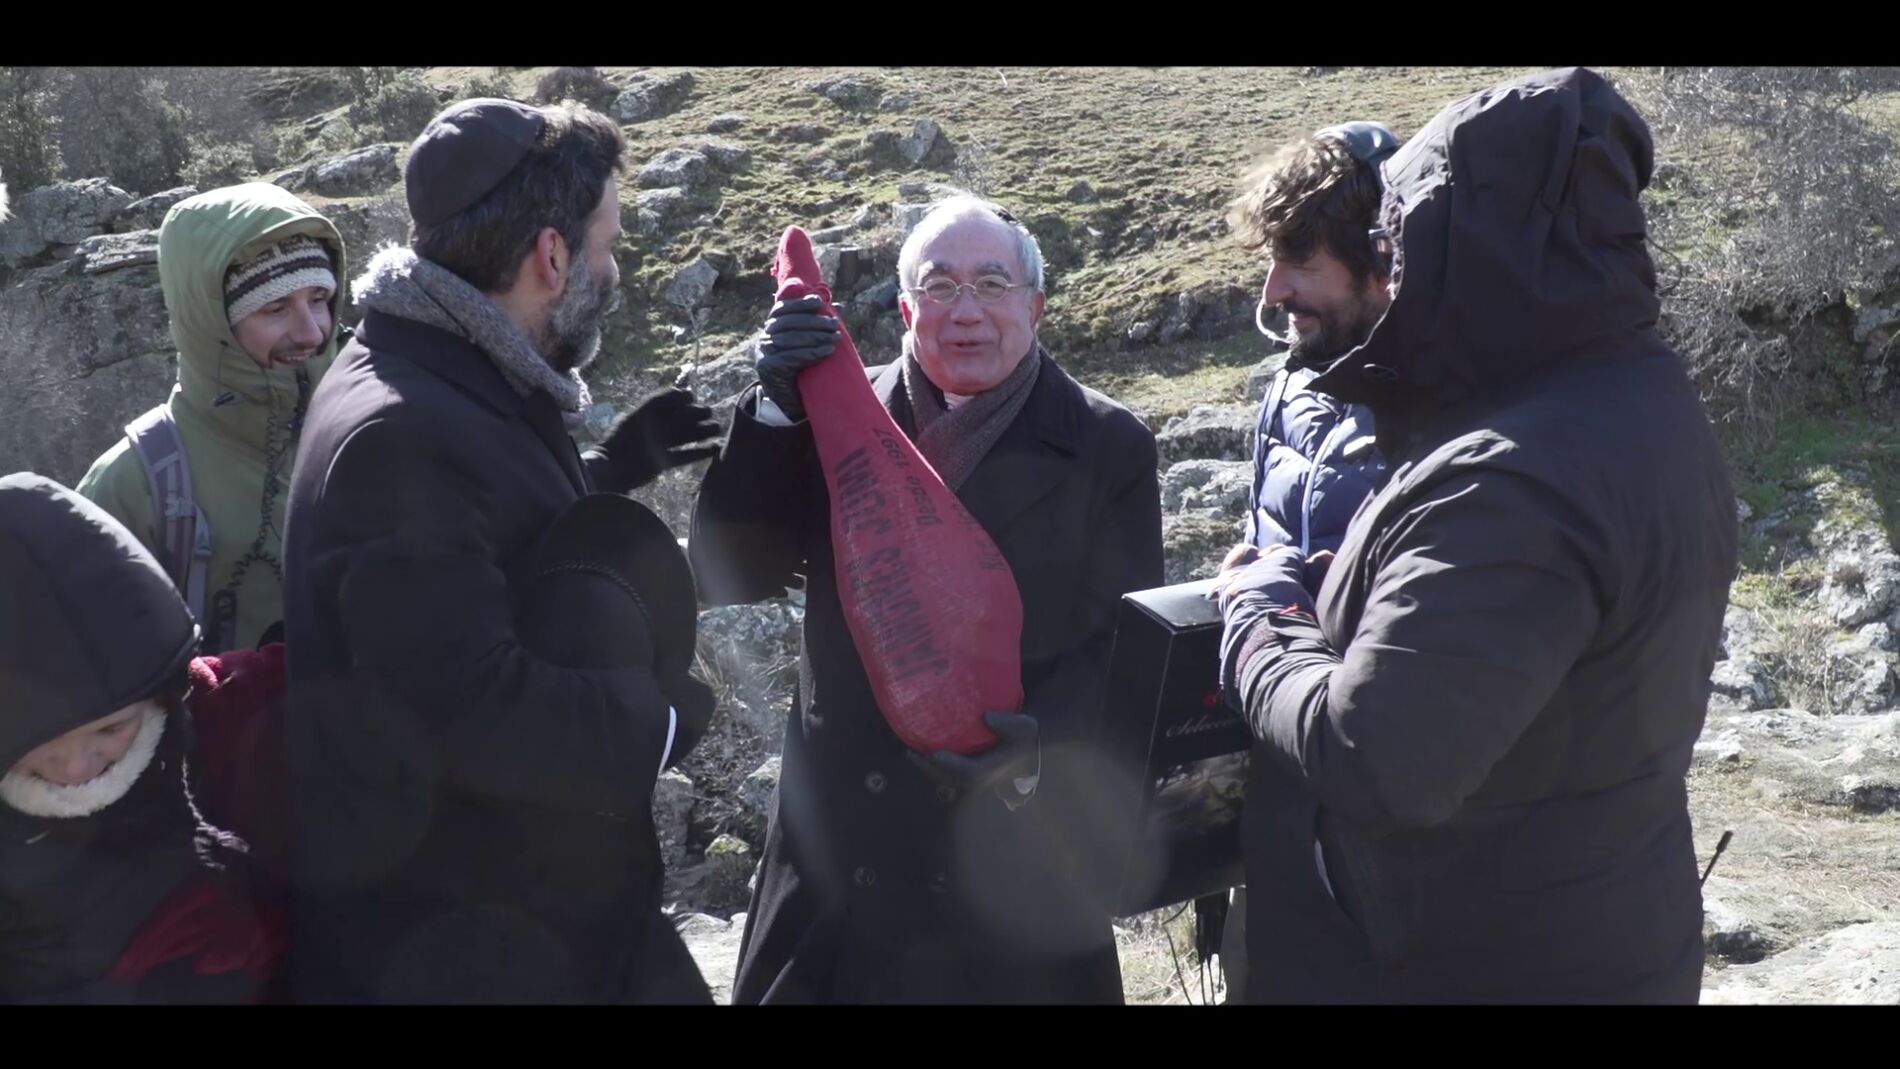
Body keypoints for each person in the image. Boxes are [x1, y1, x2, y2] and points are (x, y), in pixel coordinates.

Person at [1216, 67, 1738, 1004]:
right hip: (1608, 924)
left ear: (1479, 241)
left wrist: (1263, 619)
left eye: (1402, 237)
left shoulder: (1512, 472)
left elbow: (1379, 757)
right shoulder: (1638, 399)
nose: (1397, 265)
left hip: (1479, 953)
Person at [280, 97, 721, 1004]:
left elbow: (473, 553)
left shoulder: (441, 367)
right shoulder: (401, 433)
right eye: (608, 241)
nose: (617, 268)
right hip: (465, 947)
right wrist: (657, 724)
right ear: (552, 257)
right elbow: (462, 709)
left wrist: (606, 469)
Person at [692, 194, 1165, 1003]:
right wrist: (772, 405)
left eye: (992, 284)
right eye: (940, 287)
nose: (967, 312)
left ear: (1036, 305)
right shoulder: (835, 412)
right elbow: (732, 568)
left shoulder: (1104, 442)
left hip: (1010, 865)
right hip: (841, 862)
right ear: (906, 308)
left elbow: (1122, 642)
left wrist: (1035, 743)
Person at [1202, 120, 1402, 1001]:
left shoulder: (1458, 398)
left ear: (1381, 258)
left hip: (1394, 833)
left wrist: (1291, 589)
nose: (1274, 288)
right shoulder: (1295, 376)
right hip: (1282, 805)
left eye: (1301, 260)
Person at [1, 472, 290, 1003]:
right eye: (38, 743)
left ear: (160, 697)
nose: (77, 766)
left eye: (110, 729)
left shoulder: (207, 723)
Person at [76, 184, 348, 652]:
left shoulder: (360, 431)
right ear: (212, 323)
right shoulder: (134, 484)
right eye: (276, 307)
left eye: (319, 299)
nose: (311, 332)